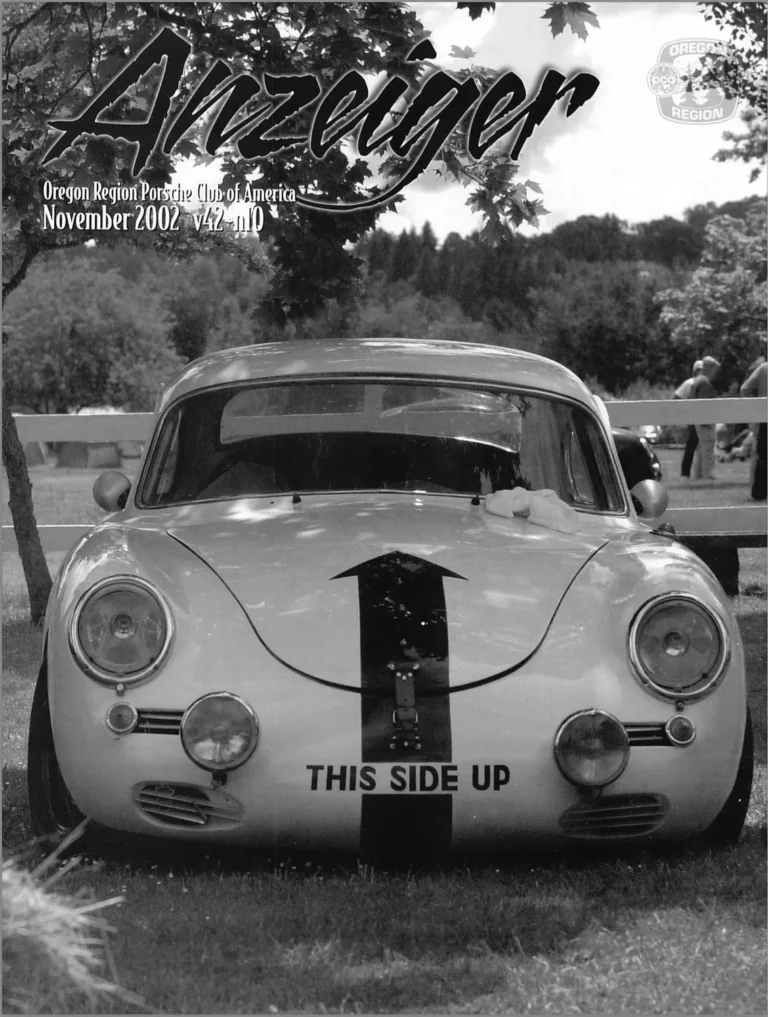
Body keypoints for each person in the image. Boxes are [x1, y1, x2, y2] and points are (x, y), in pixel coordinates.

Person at [740, 359, 767, 501]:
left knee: (763, 456)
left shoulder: (764, 368)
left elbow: (745, 389)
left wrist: (756, 409)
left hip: (764, 418)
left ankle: (759, 493)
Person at [690, 356, 719, 481]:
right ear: (708, 368)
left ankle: (698, 474)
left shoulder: (698, 380)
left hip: (697, 419)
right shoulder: (704, 382)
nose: (714, 372)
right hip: (704, 420)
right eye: (713, 369)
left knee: (702, 447)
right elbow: (704, 404)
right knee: (708, 446)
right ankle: (707, 474)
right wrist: (706, 421)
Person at [676, 360, 703, 480]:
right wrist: (684, 413)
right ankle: (685, 472)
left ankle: (698, 473)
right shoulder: (689, 383)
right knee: (691, 446)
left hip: (702, 419)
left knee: (700, 447)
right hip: (693, 419)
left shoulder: (703, 382)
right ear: (695, 371)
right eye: (699, 370)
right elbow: (676, 398)